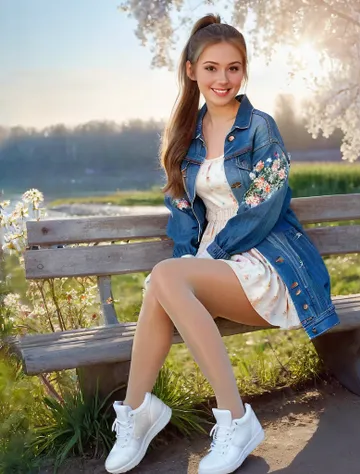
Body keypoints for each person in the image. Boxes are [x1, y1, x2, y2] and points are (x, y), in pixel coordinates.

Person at [105, 13, 340, 474]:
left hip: (268, 262)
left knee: (166, 278)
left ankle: (235, 418)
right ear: (191, 70)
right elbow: (182, 216)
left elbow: (263, 207)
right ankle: (137, 414)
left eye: (233, 67)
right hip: (216, 265)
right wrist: (190, 265)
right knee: (164, 282)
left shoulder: (260, 128)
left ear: (244, 70)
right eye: (212, 68)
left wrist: (204, 258)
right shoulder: (183, 136)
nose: (223, 78)